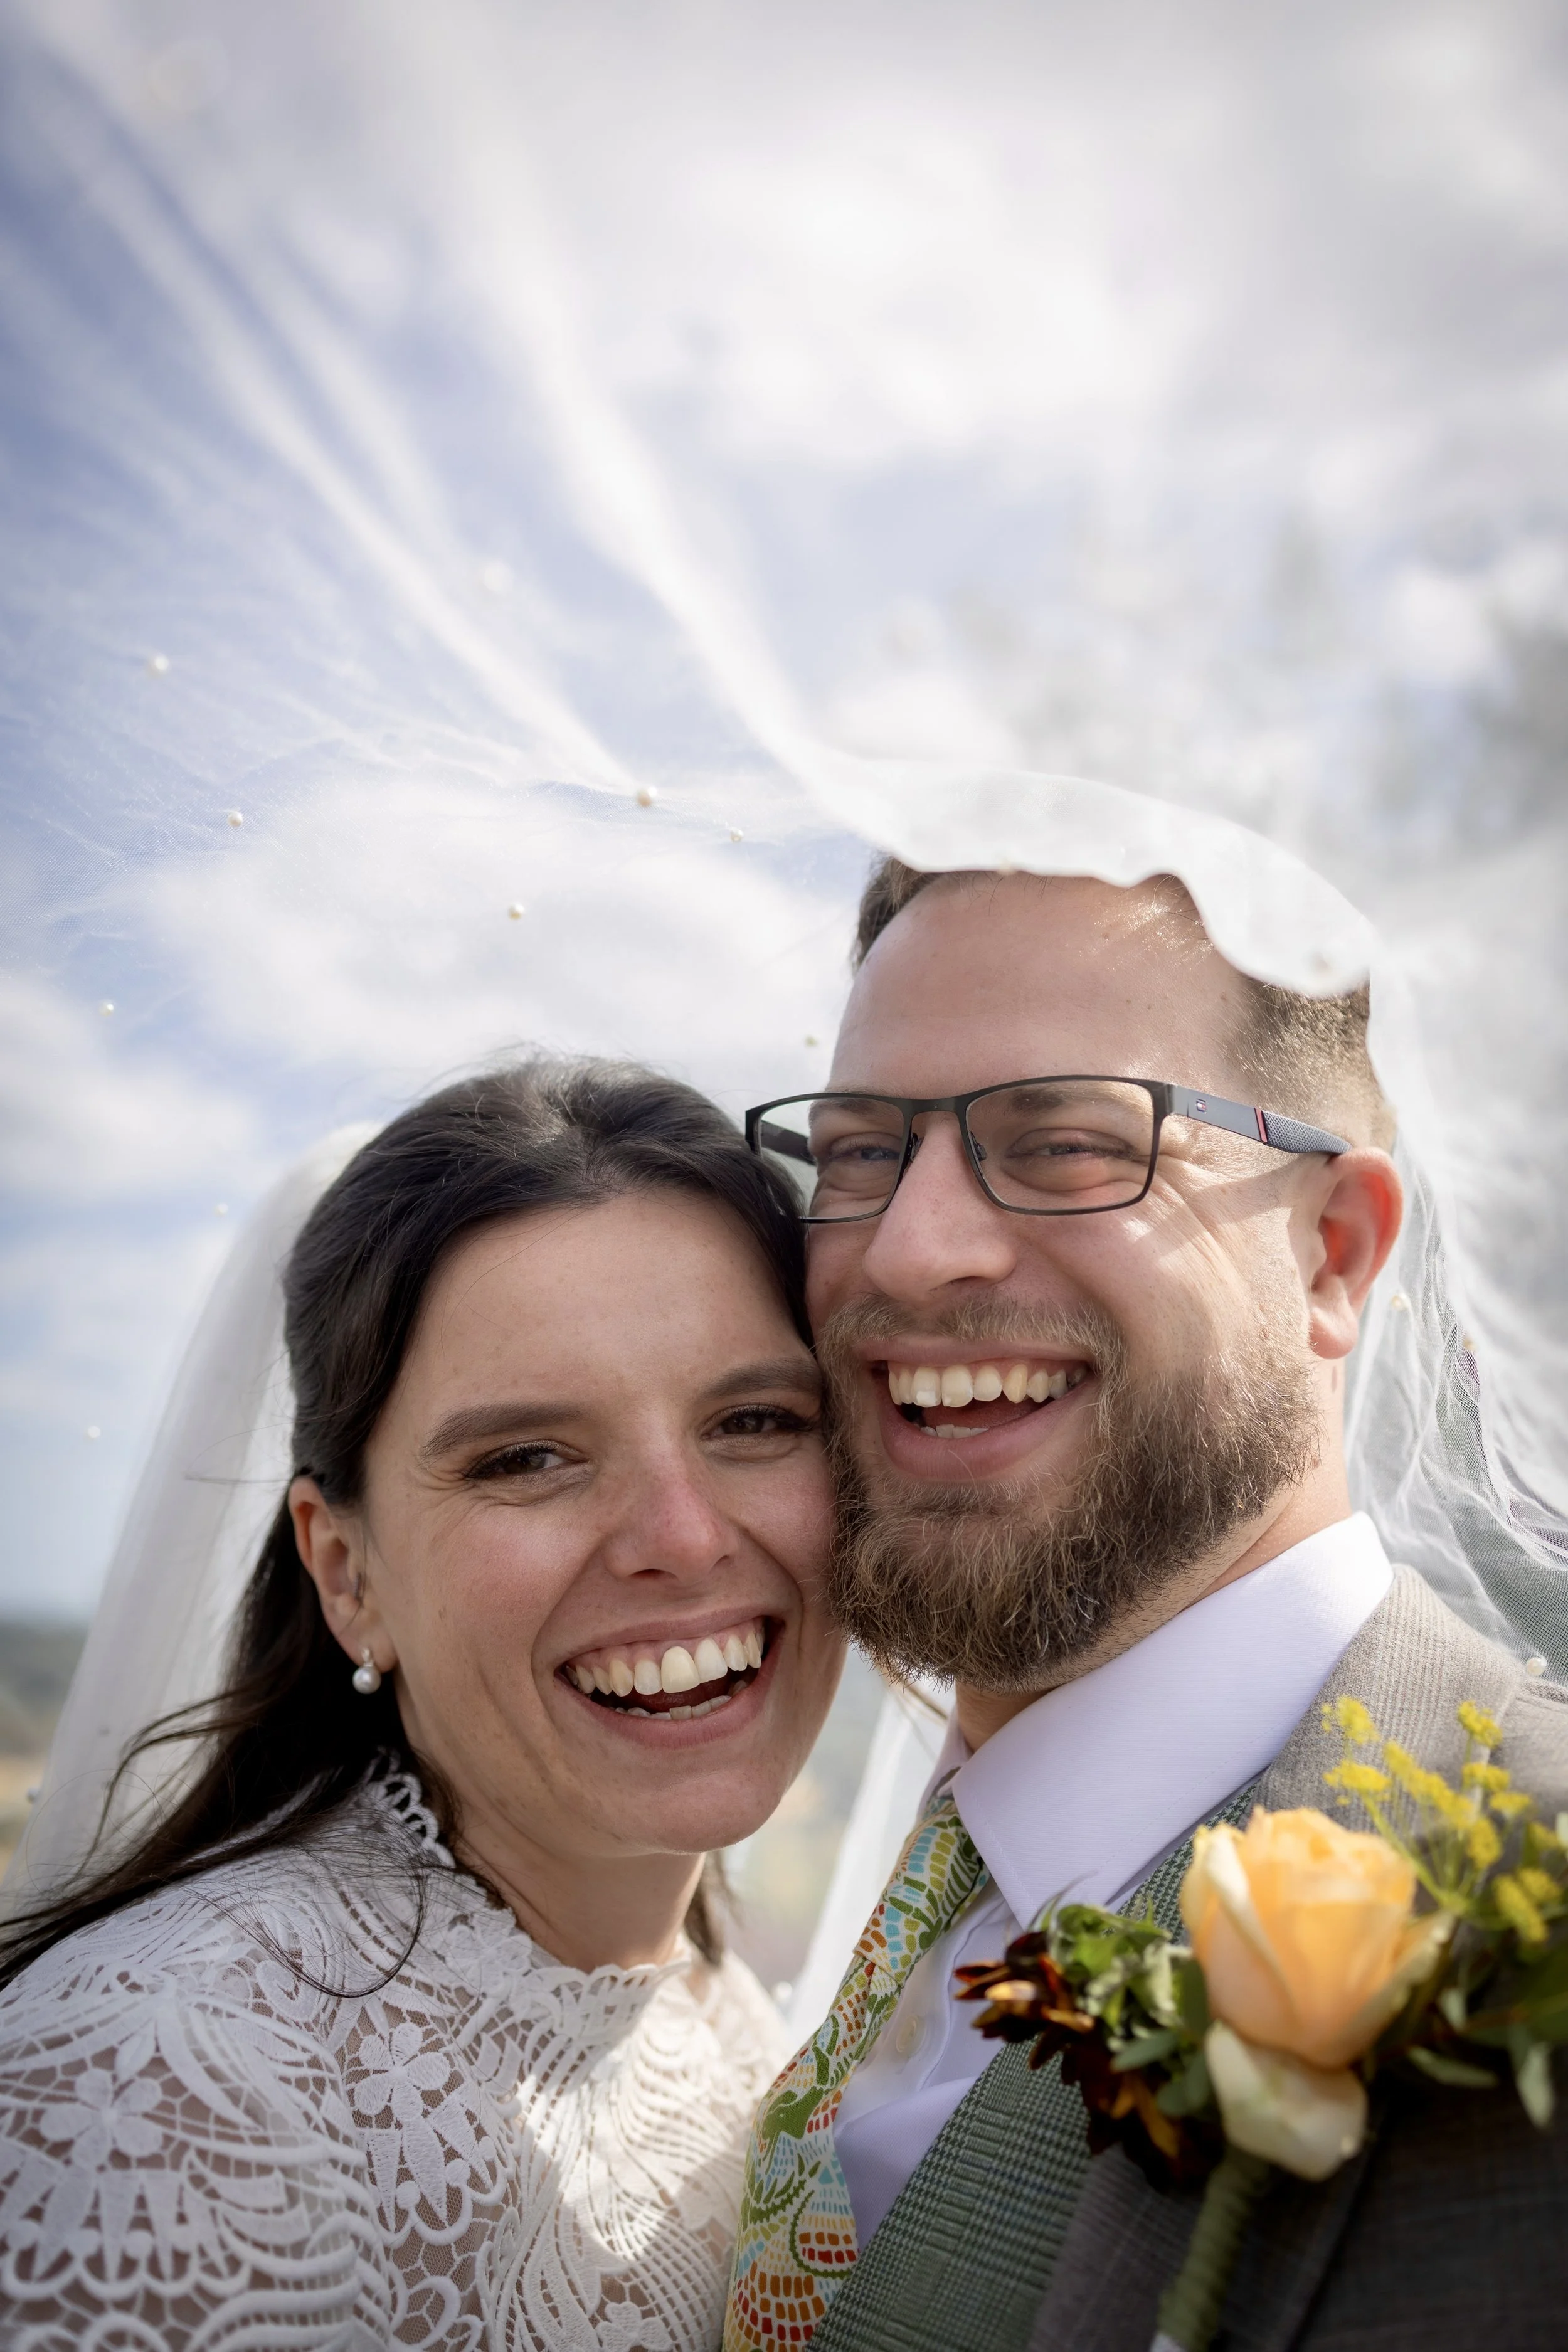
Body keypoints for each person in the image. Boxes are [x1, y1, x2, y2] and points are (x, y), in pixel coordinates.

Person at [726, 849, 1568, 2352]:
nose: (909, 1248)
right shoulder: (867, 1892)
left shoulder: (1534, 1891)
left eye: (1062, 1141)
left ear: (1332, 1252)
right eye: (858, 1154)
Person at [0, 1056, 845, 2350]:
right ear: (347, 1575)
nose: (679, 1537)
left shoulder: (724, 2019)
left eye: (753, 1420)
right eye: (527, 1458)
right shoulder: (163, 2088)